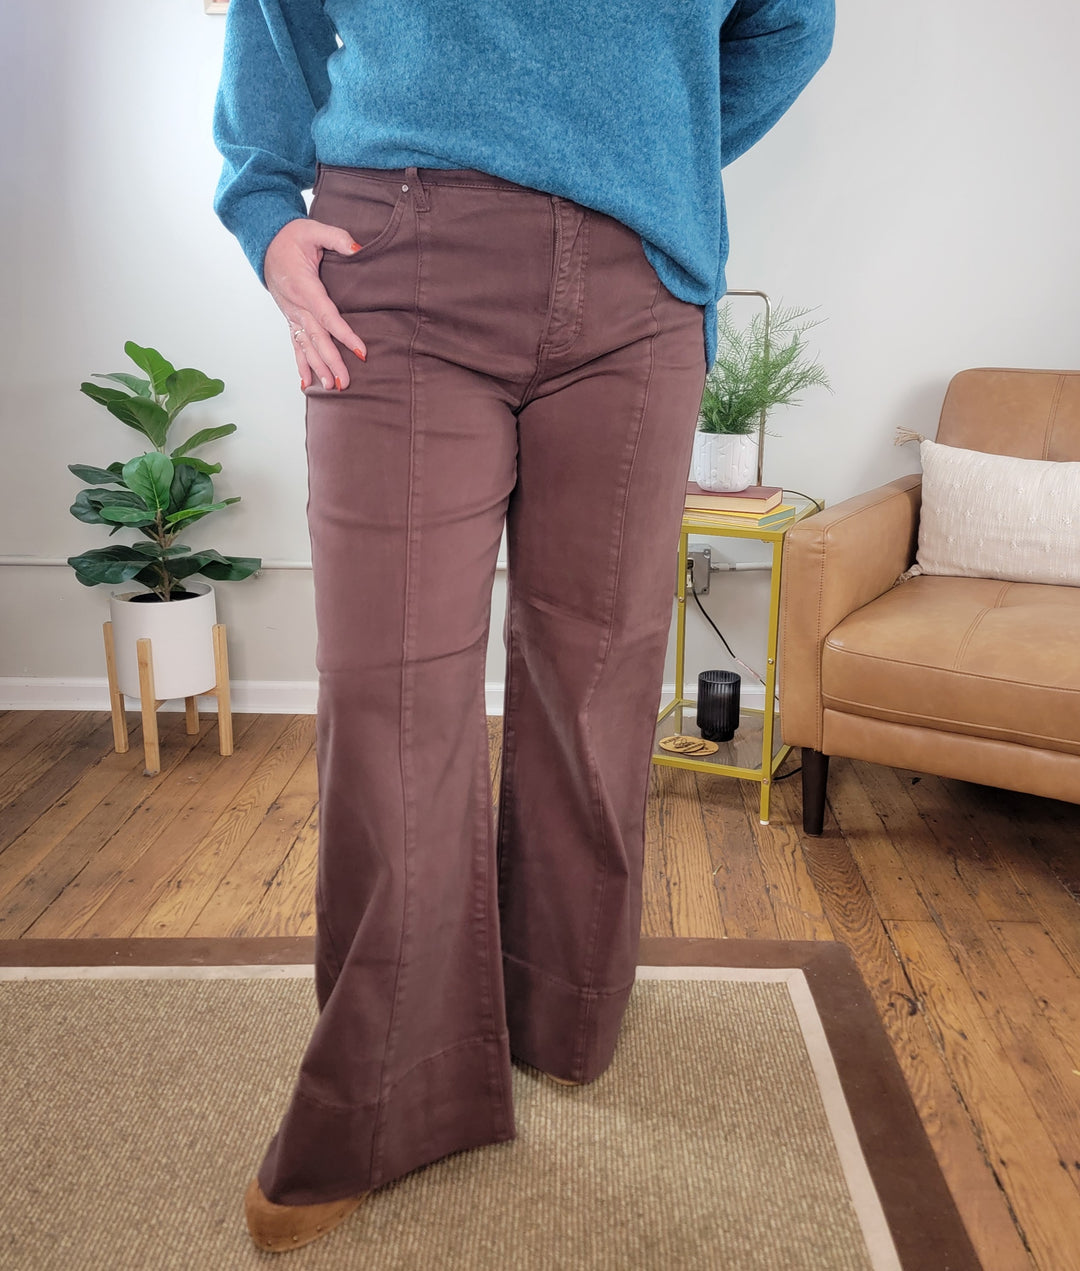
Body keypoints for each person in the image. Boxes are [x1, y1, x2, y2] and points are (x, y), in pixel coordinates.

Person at [213, 0, 834, 1253]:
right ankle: (379, 1091)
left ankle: (561, 1009)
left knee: (596, 682)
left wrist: (643, 147)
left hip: (639, 288)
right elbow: (274, 19)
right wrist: (266, 211)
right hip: (398, 264)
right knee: (393, 699)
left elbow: (794, 23)